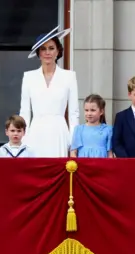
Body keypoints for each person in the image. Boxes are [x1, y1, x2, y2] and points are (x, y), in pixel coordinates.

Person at [20, 25, 79, 157]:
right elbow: (24, 112)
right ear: (38, 53)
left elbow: (73, 113)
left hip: (59, 131)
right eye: (43, 49)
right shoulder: (29, 77)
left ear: (58, 51)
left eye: (51, 48)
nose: (47, 52)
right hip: (35, 131)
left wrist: (73, 143)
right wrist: (24, 139)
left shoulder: (69, 76)